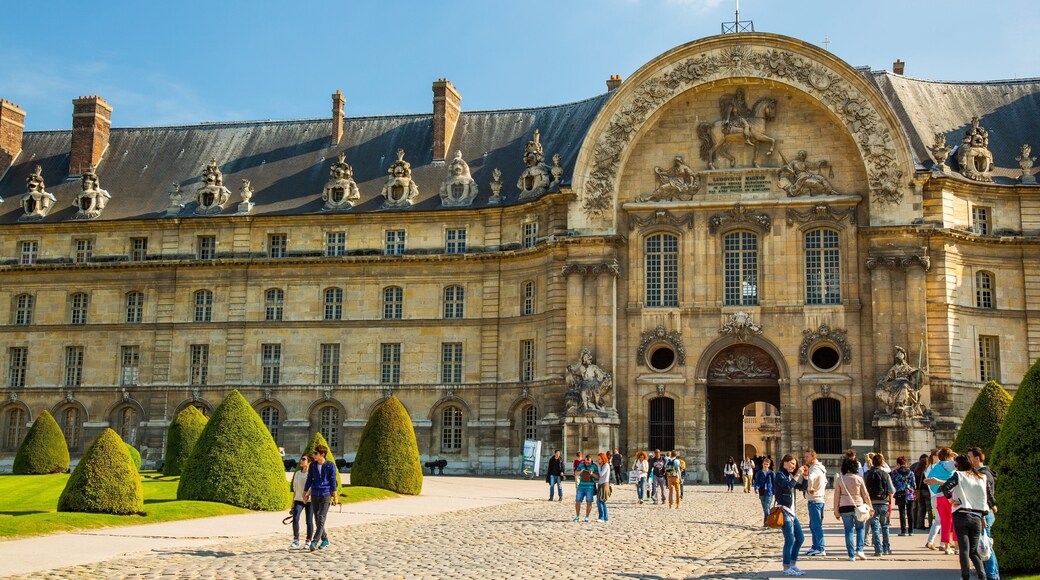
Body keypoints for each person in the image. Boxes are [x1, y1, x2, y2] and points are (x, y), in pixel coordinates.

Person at [938, 455, 989, 580]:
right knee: (974, 550)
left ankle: (965, 576)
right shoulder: (982, 477)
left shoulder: (959, 476)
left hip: (961, 514)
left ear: (958, 466)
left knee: (964, 550)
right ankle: (982, 576)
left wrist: (951, 500)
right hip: (977, 515)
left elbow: (945, 487)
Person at [967, 447, 1000, 580]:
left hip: (984, 513)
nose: (968, 460)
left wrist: (992, 504)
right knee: (986, 545)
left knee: (985, 546)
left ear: (977, 458)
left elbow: (988, 493)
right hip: (984, 512)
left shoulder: (983, 474)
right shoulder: (982, 472)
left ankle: (992, 575)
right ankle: (993, 574)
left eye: (969, 457)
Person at [774, 454, 809, 576]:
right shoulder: (779, 475)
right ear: (785, 462)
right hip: (784, 511)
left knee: (800, 538)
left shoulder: (789, 475)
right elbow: (788, 487)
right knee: (789, 540)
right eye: (792, 463)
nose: (794, 466)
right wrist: (797, 474)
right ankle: (786, 567)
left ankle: (793, 564)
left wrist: (805, 477)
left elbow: (802, 487)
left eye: (795, 464)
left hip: (791, 512)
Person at [834, 454, 872, 561]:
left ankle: (851, 555)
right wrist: (870, 507)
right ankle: (860, 549)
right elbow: (865, 495)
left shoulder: (840, 479)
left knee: (848, 531)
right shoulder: (859, 479)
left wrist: (836, 511)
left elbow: (836, 496)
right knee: (860, 528)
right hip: (858, 506)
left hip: (845, 507)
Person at [302, 444, 338, 552]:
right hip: (315, 494)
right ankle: (325, 539)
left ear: (322, 455)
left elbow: (332, 481)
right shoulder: (312, 465)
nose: (313, 455)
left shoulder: (330, 465)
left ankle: (314, 541)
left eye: (315, 453)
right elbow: (309, 480)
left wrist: (335, 496)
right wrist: (305, 494)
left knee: (321, 517)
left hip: (325, 494)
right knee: (317, 519)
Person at [924, 447, 958, 554]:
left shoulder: (936, 466)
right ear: (949, 456)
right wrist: (956, 456)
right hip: (950, 495)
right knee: (955, 521)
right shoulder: (947, 464)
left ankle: (946, 546)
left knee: (944, 522)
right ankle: (957, 546)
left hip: (938, 496)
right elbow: (961, 465)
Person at [864, 453, 896, 556]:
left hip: (871, 503)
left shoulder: (867, 474)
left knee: (875, 527)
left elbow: (863, 490)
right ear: (882, 462)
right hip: (884, 503)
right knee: (885, 526)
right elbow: (891, 489)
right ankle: (886, 548)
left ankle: (878, 549)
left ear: (872, 462)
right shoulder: (885, 474)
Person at [803, 449, 828, 557]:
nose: (805, 458)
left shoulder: (815, 469)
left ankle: (820, 548)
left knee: (816, 525)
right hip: (818, 499)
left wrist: (810, 487)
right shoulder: (819, 468)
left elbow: (812, 478)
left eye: (807, 457)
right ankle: (815, 546)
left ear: (813, 457)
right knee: (813, 525)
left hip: (815, 500)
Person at [289, 454, 314, 549]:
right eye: (301, 459)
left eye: (304, 459)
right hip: (298, 499)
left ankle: (308, 540)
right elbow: (295, 489)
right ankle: (296, 539)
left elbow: (312, 487)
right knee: (295, 518)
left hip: (310, 500)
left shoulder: (311, 474)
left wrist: (307, 496)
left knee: (309, 520)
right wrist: (293, 502)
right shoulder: (297, 473)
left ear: (309, 462)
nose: (301, 461)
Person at [891, 456, 917, 537]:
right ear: (905, 463)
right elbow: (914, 484)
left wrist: (898, 487)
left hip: (900, 493)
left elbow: (893, 482)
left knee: (901, 513)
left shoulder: (895, 472)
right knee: (910, 512)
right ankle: (911, 531)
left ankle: (903, 530)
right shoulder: (910, 472)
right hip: (910, 494)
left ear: (898, 463)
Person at [573, 455, 597, 522]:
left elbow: (598, 476)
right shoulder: (581, 464)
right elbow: (575, 473)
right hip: (581, 486)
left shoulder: (594, 466)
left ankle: (587, 517)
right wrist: (581, 471)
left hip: (590, 486)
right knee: (578, 501)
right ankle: (577, 516)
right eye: (586, 462)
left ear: (591, 460)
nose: (587, 464)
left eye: (588, 463)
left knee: (589, 502)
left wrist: (592, 474)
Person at [912, 453, 932, 531]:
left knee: (921, 508)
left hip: (919, 491)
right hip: (927, 491)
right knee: (929, 509)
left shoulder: (916, 471)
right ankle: (930, 524)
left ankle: (919, 524)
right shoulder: (927, 471)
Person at [753, 457, 775, 526]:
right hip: (762, 491)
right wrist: (756, 488)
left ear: (769, 465)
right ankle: (767, 520)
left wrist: (775, 491)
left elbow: (774, 483)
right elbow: (756, 482)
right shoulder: (759, 473)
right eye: (764, 464)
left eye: (767, 464)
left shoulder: (771, 473)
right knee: (764, 508)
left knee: (767, 506)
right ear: (762, 464)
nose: (765, 465)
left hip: (769, 491)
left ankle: (766, 521)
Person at [595, 452, 611, 522]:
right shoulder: (602, 466)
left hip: (604, 484)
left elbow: (601, 474)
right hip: (600, 484)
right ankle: (605, 518)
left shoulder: (606, 465)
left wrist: (598, 466)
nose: (598, 460)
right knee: (602, 501)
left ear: (602, 459)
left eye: (599, 459)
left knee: (599, 501)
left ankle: (601, 517)